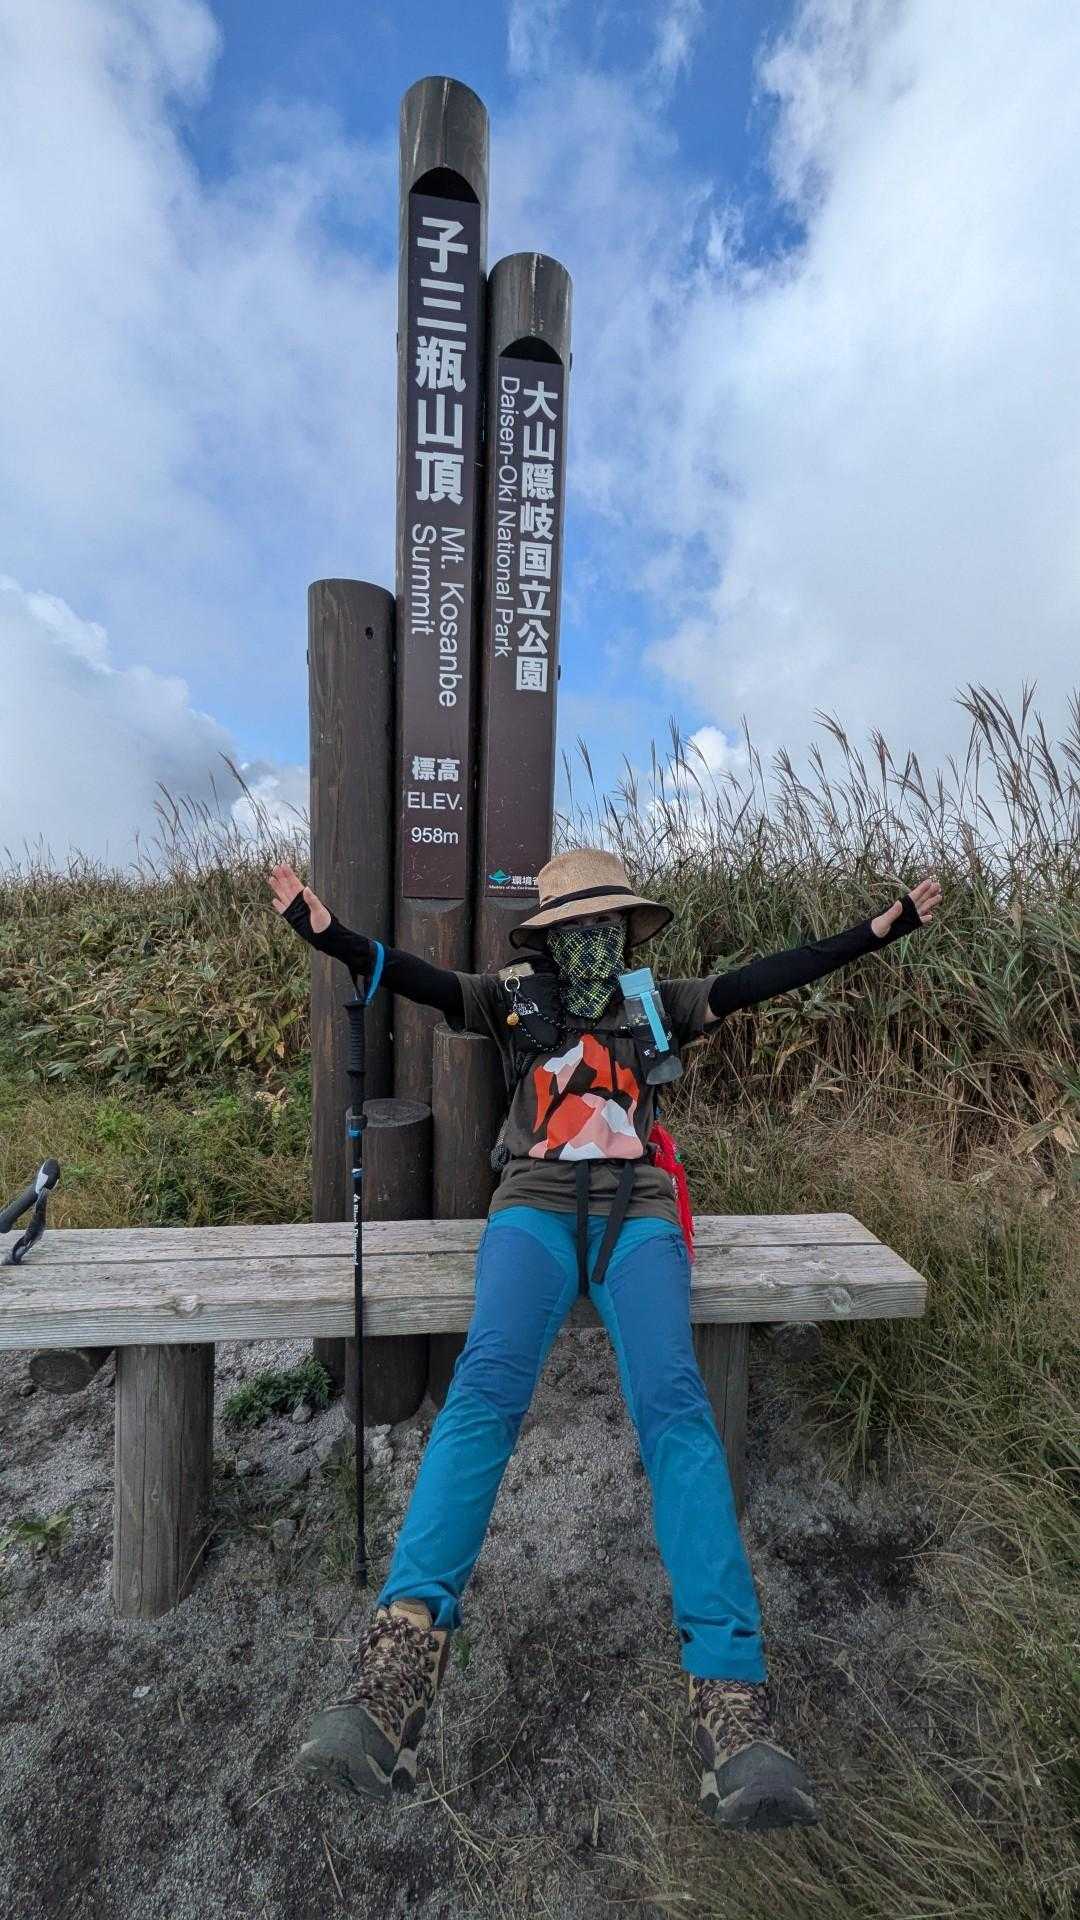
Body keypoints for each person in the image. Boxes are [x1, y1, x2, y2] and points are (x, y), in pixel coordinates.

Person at [269, 846, 940, 1830]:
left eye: (608, 926)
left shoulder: (655, 1002)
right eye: (577, 928)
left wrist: (878, 931)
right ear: (548, 939)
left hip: (639, 1214)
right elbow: (406, 975)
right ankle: (391, 1683)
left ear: (626, 930)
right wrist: (323, 931)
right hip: (532, 1210)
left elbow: (768, 976)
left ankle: (734, 1708)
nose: (595, 941)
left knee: (676, 1409)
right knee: (483, 1395)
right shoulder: (508, 999)